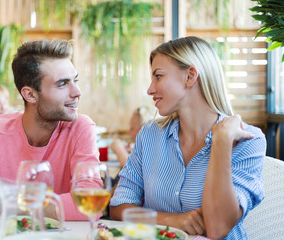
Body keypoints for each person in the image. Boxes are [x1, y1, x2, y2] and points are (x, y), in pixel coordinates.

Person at [110, 36, 266, 239]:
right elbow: (118, 208)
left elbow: (217, 227)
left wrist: (221, 141)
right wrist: (173, 221)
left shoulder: (248, 140)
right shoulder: (149, 135)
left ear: (190, 76)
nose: (150, 89)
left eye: (158, 76)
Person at [0, 39, 101, 226]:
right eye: (62, 84)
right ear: (30, 94)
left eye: (75, 80)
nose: (77, 91)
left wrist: (16, 201)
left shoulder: (81, 128)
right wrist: (30, 201)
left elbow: (91, 205)